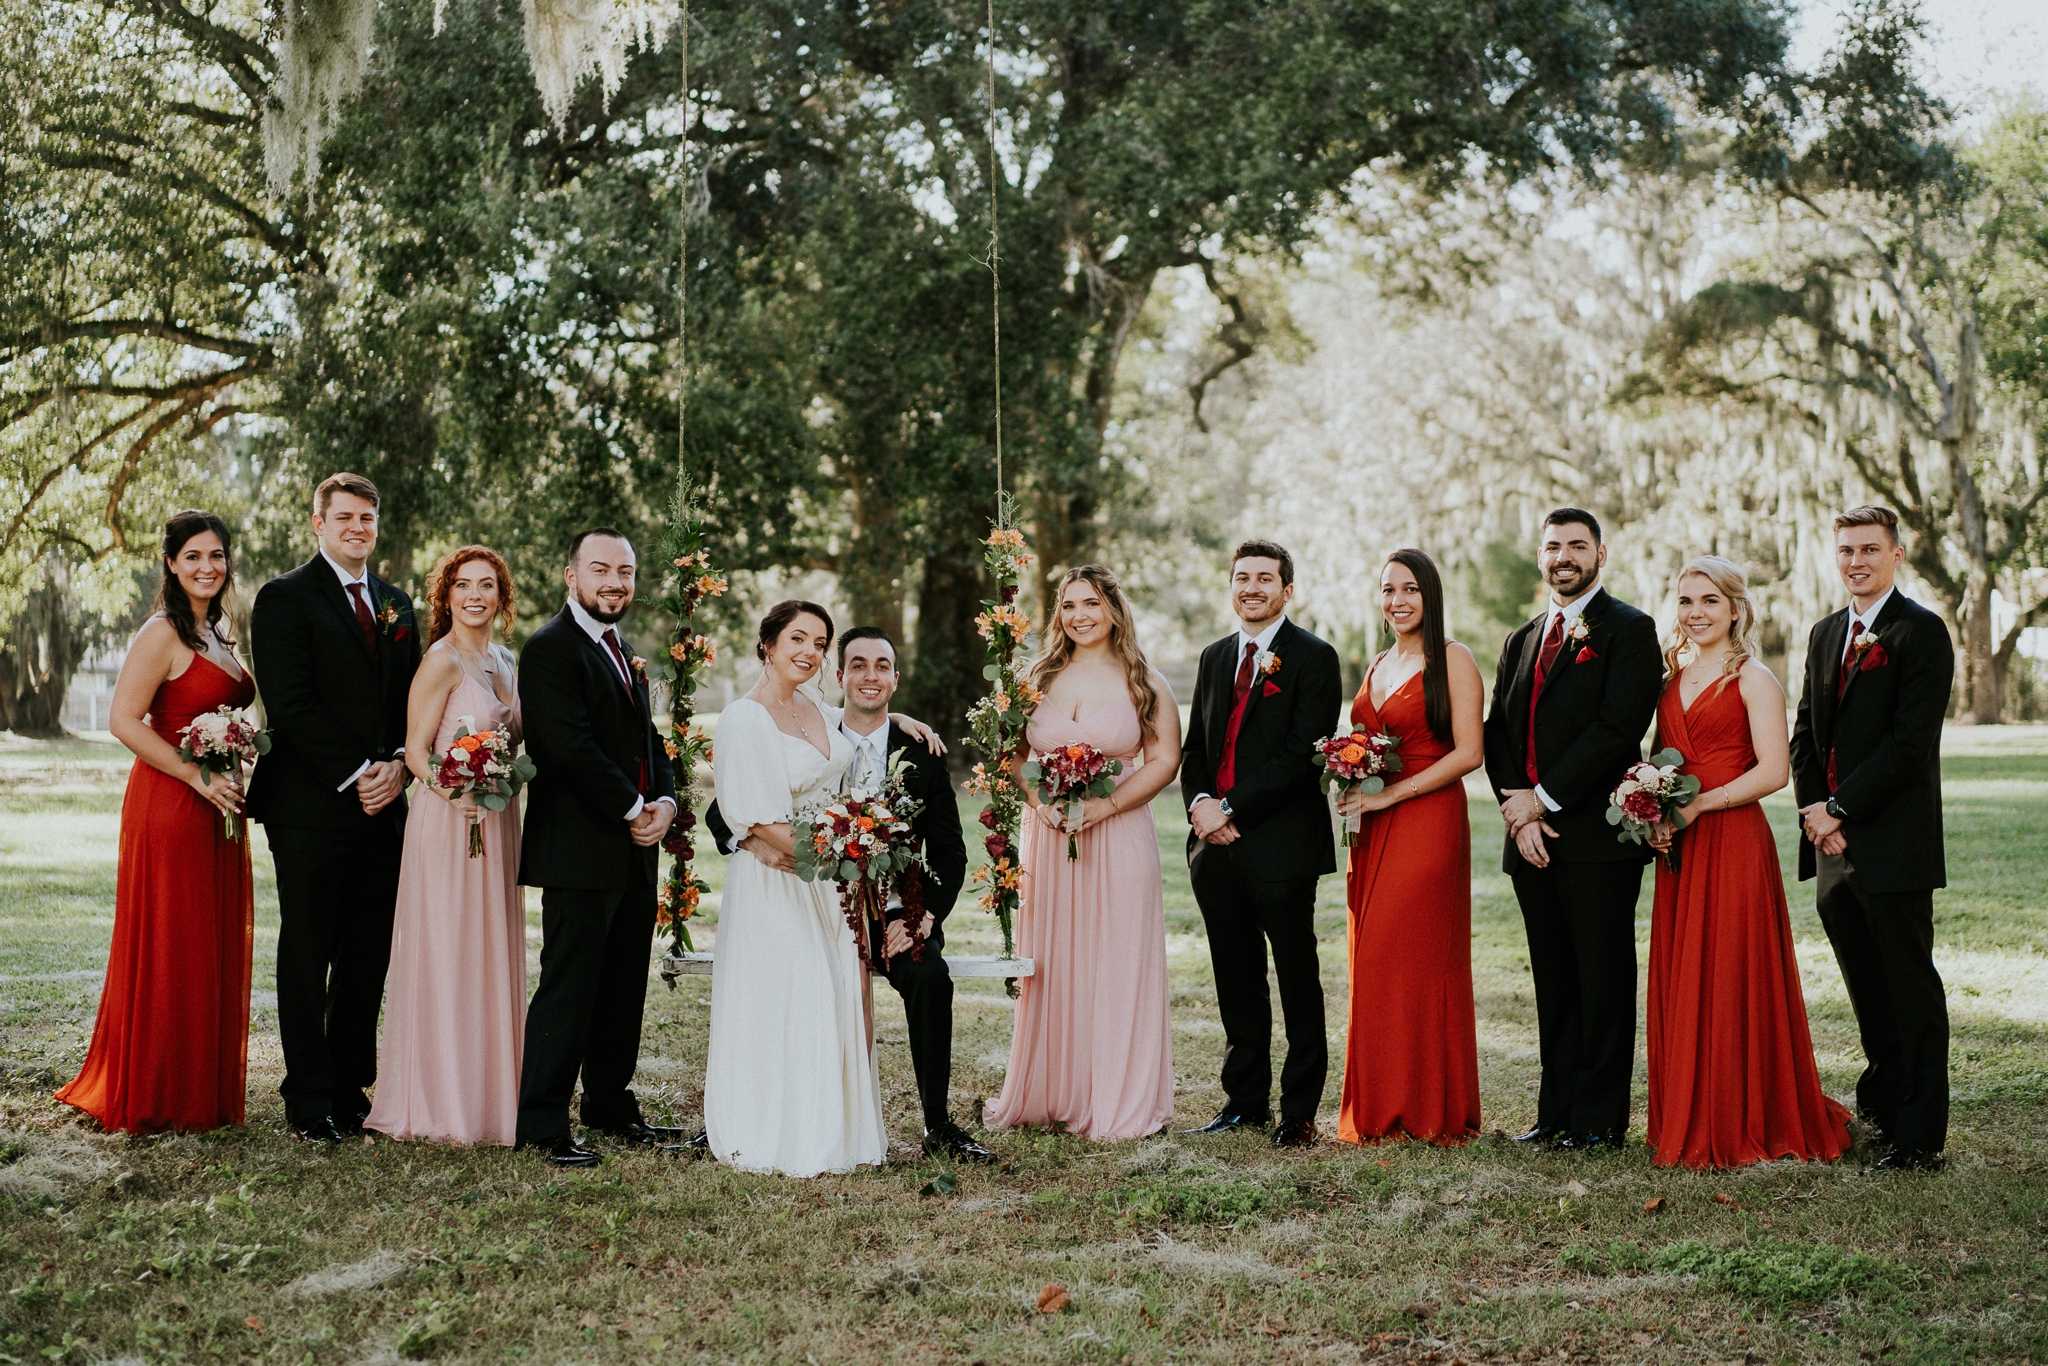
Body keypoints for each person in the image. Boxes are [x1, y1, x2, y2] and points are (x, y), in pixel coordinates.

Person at [706, 627, 987, 1162]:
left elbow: (950, 854)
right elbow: (724, 808)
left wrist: (923, 918)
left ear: (896, 680)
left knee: (929, 978)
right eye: (857, 665)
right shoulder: (813, 731)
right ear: (839, 677)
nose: (869, 676)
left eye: (881, 666)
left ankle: (937, 1125)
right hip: (817, 902)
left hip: (894, 909)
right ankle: (758, 1113)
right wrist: (749, 841)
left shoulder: (920, 752)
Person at [1643, 557, 1853, 1169]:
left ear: (1736, 608)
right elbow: (1665, 762)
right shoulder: (1669, 676)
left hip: (1732, 840)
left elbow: (1774, 771)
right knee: (1686, 973)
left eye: (1709, 601)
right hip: (1681, 843)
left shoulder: (1754, 678)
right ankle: (1689, 1110)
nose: (1696, 613)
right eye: (1686, 601)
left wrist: (1699, 806)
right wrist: (1654, 812)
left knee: (1731, 974)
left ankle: (1739, 1114)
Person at [56, 510, 256, 1134]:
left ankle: (202, 1080)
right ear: (171, 563)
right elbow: (123, 720)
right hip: (171, 802)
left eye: (217, 556)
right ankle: (161, 1087)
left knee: (208, 937)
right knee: (174, 939)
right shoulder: (161, 632)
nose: (207, 567)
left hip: (219, 805)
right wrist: (195, 775)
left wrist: (239, 746)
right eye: (193, 556)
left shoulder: (219, 632)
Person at [247, 473, 421, 1144]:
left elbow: (414, 701)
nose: (357, 526)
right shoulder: (285, 598)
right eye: (344, 516)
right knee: (309, 945)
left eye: (367, 517)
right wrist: (358, 773)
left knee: (367, 952)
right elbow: (290, 704)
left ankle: (351, 1088)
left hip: (386, 807)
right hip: (310, 806)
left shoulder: (397, 603)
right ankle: (308, 1095)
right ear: (318, 523)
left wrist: (401, 765)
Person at [1482, 508, 1661, 1152]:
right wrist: (1515, 808)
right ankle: (1553, 1113)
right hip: (1526, 840)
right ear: (1540, 557)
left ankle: (1598, 1121)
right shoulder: (1521, 638)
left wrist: (1544, 802)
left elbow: (1617, 728)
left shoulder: (1630, 630)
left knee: (1602, 978)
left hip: (1592, 838)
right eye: (1553, 546)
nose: (1564, 556)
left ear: (1600, 555)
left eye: (1576, 546)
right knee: (1553, 980)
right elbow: (1495, 732)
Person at [984, 566, 1182, 1142]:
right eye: (1068, 605)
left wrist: (1107, 806)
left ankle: (1118, 1099)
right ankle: (1054, 1091)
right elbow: (1014, 755)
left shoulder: (1145, 680)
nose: (1079, 616)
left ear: (1114, 609)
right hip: (1047, 837)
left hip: (1118, 832)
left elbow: (1165, 760)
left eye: (1091, 603)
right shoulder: (1035, 677)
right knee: (1054, 962)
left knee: (1118, 961)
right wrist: (1039, 803)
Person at [1790, 506, 1954, 1173]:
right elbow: (1805, 732)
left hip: (1893, 843)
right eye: (1846, 551)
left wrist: (1840, 808)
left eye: (1868, 549)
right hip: (1830, 847)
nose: (1856, 561)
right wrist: (1812, 811)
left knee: (1909, 988)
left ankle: (1921, 1137)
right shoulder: (1826, 633)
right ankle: (1883, 1109)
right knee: (1866, 987)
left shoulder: (1921, 633)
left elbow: (1908, 744)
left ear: (1897, 554)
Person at [515, 527, 681, 1168]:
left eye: (626, 572)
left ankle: (611, 1104)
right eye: (601, 569)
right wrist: (633, 806)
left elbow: (649, 743)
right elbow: (565, 746)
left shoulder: (622, 650)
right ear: (572, 576)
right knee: (570, 984)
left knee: (621, 986)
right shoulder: (550, 649)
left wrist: (664, 802)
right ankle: (542, 1121)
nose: (615, 582)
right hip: (580, 849)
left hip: (637, 848)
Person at [703, 601, 888, 1176]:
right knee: (790, 999)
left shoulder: (814, 704)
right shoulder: (744, 718)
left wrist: (908, 723)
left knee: (829, 997)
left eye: (819, 643)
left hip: (825, 881)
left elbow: (856, 729)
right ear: (768, 644)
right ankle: (776, 1133)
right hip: (778, 882)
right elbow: (758, 822)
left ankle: (833, 1130)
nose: (808, 652)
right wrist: (842, 851)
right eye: (797, 639)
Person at [1179, 541, 1343, 1149]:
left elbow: (1302, 753)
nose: (1252, 587)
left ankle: (1298, 1111)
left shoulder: (1314, 658)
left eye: (1265, 578)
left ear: (1286, 590)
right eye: (1242, 577)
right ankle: (1242, 1101)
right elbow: (1197, 747)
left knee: (1297, 975)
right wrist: (1199, 805)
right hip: (1213, 848)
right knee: (1236, 976)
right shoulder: (1215, 656)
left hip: (1280, 848)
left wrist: (1230, 807)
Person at [365, 547, 528, 1147]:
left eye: (488, 585)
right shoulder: (440, 661)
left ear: (502, 596)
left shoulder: (507, 661)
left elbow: (512, 740)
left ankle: (493, 1097)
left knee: (490, 948)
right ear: (447, 595)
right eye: (464, 585)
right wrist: (454, 789)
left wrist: (498, 785)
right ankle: (441, 1102)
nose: (476, 596)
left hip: (499, 821)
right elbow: (413, 750)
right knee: (450, 950)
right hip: (450, 821)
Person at [1333, 550, 1485, 1146]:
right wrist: (1350, 779)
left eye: (1410, 590)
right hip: (1370, 824)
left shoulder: (1454, 659)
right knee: (1371, 959)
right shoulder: (1378, 661)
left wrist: (1391, 796)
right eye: (1388, 590)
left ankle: (1423, 1107)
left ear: (1431, 596)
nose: (1397, 601)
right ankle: (1379, 1105)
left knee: (1413, 959)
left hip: (1427, 818)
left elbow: (1469, 753)